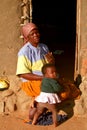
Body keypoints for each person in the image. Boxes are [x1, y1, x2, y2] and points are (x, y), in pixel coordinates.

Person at [16, 22, 55, 103]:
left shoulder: (44, 47)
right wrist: (43, 78)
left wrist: (51, 61)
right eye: (32, 34)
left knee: (67, 87)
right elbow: (23, 74)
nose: (36, 35)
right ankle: (37, 108)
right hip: (31, 82)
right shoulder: (24, 52)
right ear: (27, 37)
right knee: (54, 92)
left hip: (44, 79)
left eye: (36, 32)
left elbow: (49, 66)